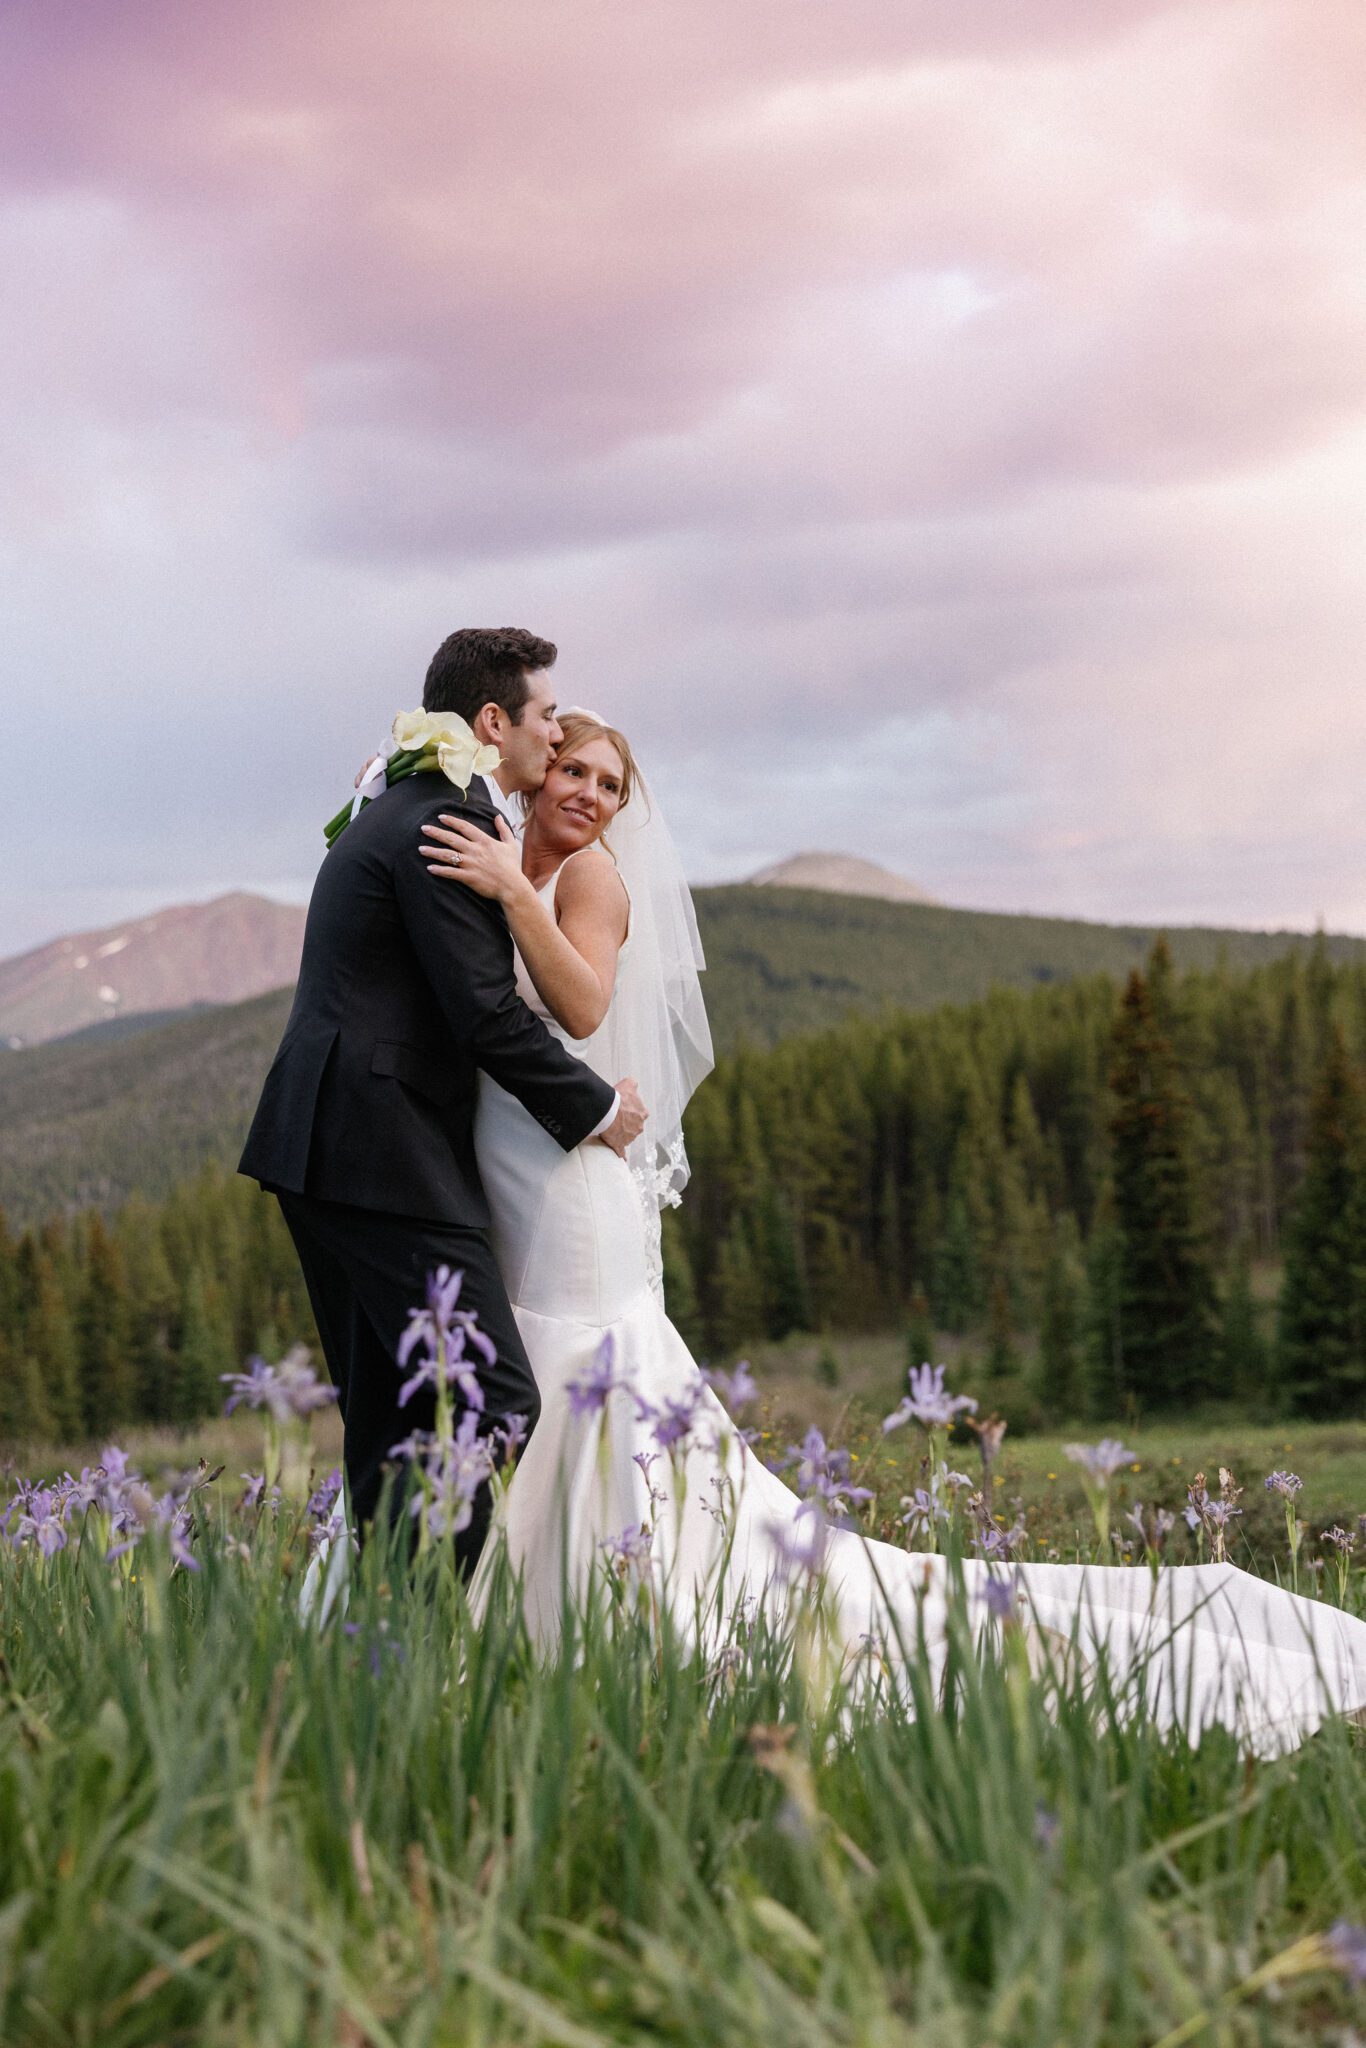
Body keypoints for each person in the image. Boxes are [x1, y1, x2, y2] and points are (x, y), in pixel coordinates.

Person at [419, 711, 1366, 1757]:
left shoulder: (586, 880)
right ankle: (515, 1606)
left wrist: (514, 891)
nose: (592, 794)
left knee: (576, 1359)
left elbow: (586, 1007)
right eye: (576, 771)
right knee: (523, 1362)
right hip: (507, 1174)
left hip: (571, 1193)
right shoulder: (497, 848)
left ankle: (593, 1610)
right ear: (536, 767)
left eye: (611, 783)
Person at [238, 629, 646, 1571]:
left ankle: (382, 1645)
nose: (557, 740)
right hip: (386, 1154)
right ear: (494, 721)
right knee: (496, 1400)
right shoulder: (450, 819)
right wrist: (595, 1111)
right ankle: (422, 1630)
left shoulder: (407, 799)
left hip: (326, 1145)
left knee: (393, 1415)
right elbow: (485, 1015)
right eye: (547, 718)